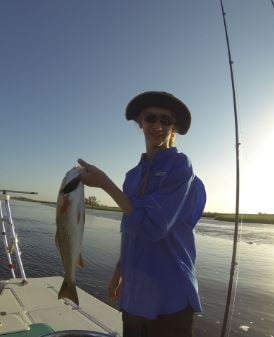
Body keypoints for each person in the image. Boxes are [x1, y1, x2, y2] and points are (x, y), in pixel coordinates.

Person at [78, 91, 206, 337]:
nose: (157, 126)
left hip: (171, 297)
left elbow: (153, 227)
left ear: (174, 127)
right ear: (140, 122)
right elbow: (131, 228)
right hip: (135, 296)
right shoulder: (132, 175)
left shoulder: (180, 166)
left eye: (166, 120)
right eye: (151, 118)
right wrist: (119, 270)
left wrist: (105, 183)